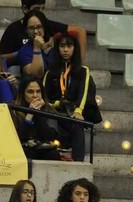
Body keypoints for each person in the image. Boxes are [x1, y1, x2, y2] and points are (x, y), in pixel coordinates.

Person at [43, 31, 102, 161]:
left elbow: (84, 92)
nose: (65, 50)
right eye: (62, 46)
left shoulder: (83, 71)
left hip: (74, 112)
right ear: (57, 48)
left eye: (69, 46)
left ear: (75, 48)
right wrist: (57, 104)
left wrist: (78, 110)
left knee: (77, 124)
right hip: (55, 111)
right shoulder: (50, 72)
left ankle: (78, 162)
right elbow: (45, 96)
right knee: (49, 122)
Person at [0, 0, 86, 66]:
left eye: (42, 8)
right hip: (21, 67)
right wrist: (22, 53)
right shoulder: (13, 29)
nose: (40, 12)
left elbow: (80, 31)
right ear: (25, 9)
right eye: (37, 8)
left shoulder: (48, 24)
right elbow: (0, 56)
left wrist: (80, 65)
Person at [12, 77, 65, 161]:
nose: (35, 95)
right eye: (30, 92)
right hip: (23, 149)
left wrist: (39, 114)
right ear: (23, 94)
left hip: (43, 147)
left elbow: (51, 136)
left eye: (38, 91)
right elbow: (18, 137)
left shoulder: (48, 109)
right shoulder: (14, 110)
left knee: (53, 154)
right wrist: (30, 115)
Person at [17, 10, 53, 78]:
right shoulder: (24, 51)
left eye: (39, 27)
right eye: (31, 28)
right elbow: (36, 75)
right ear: (26, 30)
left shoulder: (54, 46)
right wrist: (37, 49)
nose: (35, 31)